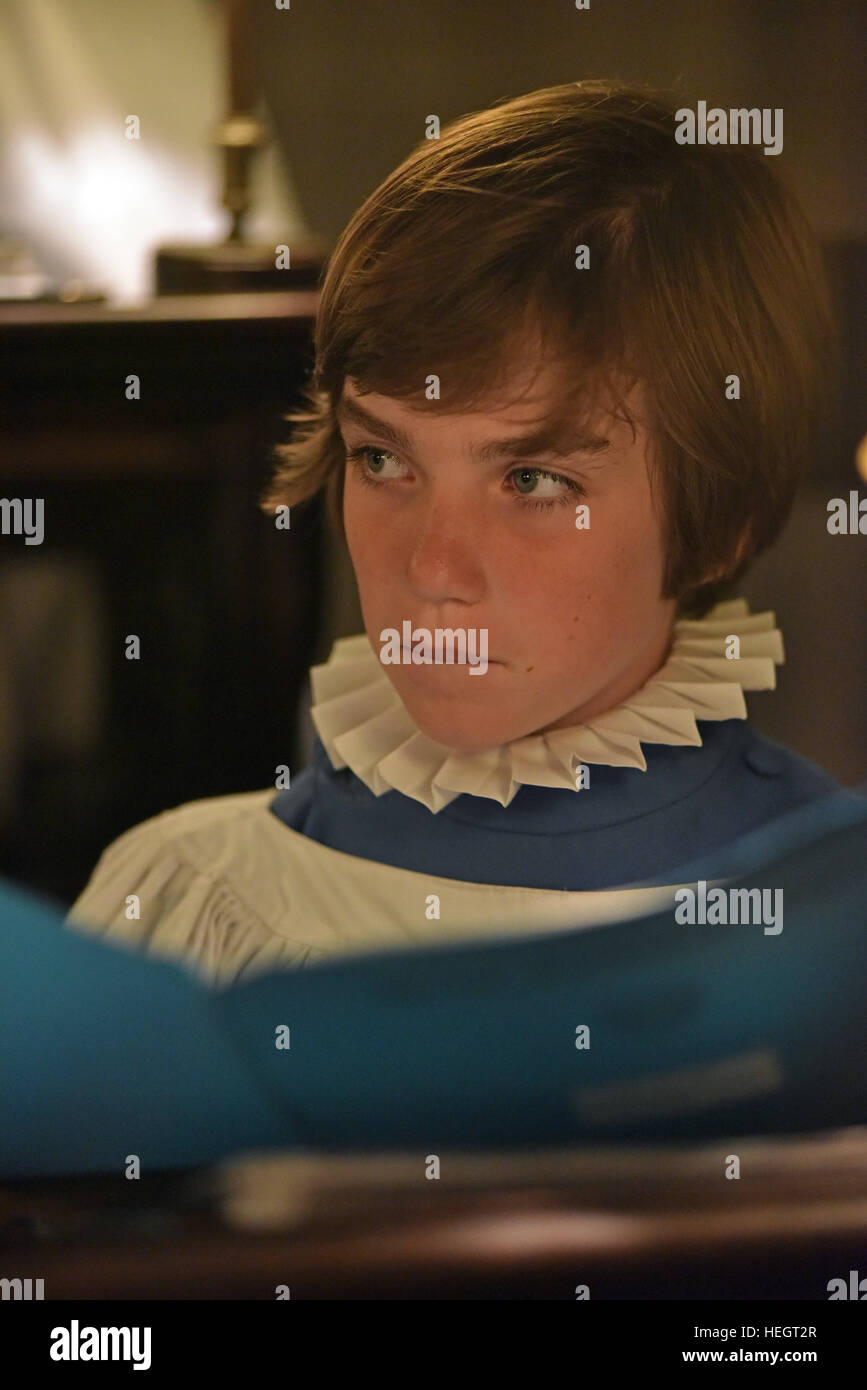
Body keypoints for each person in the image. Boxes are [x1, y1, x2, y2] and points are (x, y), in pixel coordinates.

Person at [66, 80, 850, 986]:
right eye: (383, 461)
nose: (432, 569)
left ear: (722, 526)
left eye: (531, 481)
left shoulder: (831, 925)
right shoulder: (179, 903)